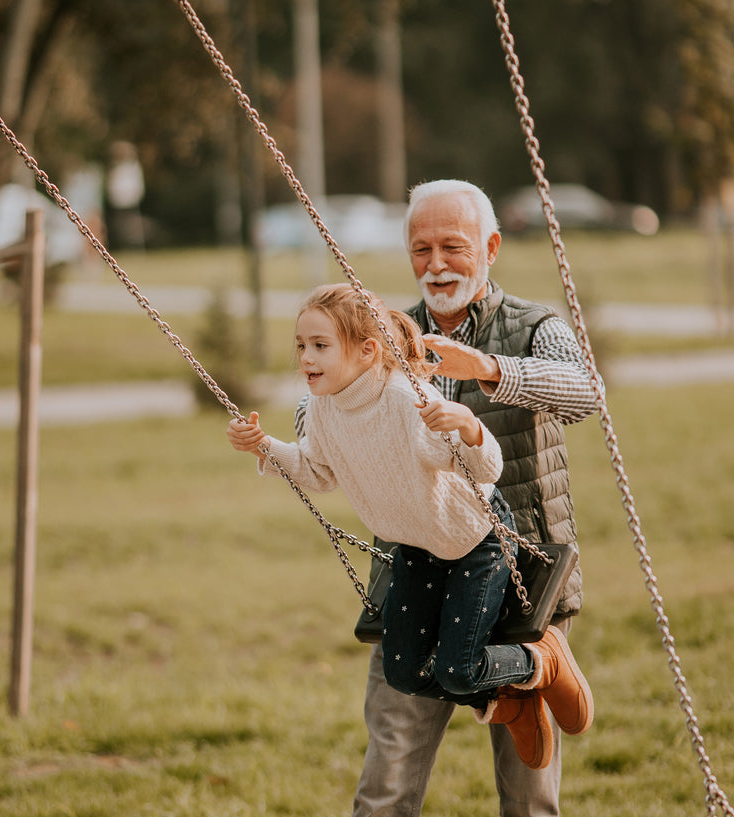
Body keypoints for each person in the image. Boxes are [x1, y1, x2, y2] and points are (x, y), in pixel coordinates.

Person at [301, 179, 603, 817]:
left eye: (453, 249)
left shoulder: (533, 325)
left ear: (491, 249)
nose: (436, 265)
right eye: (421, 250)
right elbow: (319, 406)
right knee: (384, 793)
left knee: (529, 797)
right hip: (416, 585)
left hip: (522, 587)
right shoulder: (379, 334)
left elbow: (584, 395)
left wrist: (487, 372)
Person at [226, 284, 591, 755]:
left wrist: (468, 427)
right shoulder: (321, 409)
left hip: (475, 541)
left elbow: (485, 471)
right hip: (419, 548)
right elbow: (317, 472)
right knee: (402, 670)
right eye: (301, 345)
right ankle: (507, 704)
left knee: (458, 670)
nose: (306, 358)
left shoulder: (405, 401)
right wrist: (264, 446)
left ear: (367, 350)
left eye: (320, 345)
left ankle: (543, 662)